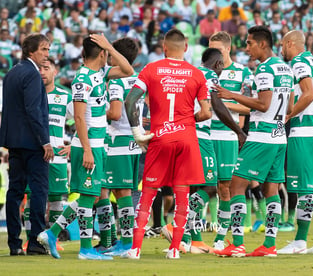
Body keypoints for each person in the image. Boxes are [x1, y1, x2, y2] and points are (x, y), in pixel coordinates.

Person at [38, 34, 134, 260]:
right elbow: (79, 119)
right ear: (101, 54)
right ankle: (84, 249)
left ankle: (51, 234)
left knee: (88, 197)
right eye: (106, 53)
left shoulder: (99, 74)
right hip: (88, 146)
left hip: (98, 146)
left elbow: (128, 70)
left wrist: (109, 45)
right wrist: (87, 149)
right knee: (88, 198)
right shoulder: (82, 79)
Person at [122, 29, 211, 260]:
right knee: (182, 195)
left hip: (159, 137)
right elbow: (207, 112)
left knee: (148, 193)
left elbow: (130, 100)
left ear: (164, 47)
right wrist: (188, 121)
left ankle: (136, 249)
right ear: (186, 48)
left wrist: (137, 132)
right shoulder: (196, 74)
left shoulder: (151, 69)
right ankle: (174, 250)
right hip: (187, 140)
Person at [214, 25, 294, 257]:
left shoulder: (264, 69)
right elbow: (287, 107)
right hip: (279, 137)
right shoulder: (285, 68)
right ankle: (269, 244)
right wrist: (235, 104)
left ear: (262, 44)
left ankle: (237, 242)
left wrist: (232, 95)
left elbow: (263, 104)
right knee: (271, 189)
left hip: (261, 137)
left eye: (249, 43)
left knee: (236, 185)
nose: (246, 47)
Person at [162, 47, 246, 253]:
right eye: (221, 67)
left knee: (193, 187)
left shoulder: (190, 73)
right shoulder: (208, 76)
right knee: (210, 187)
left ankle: (186, 237)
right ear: (217, 65)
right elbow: (217, 106)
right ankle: (176, 227)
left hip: (183, 136)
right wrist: (239, 131)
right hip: (200, 137)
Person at [278, 30, 313, 254]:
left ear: (291, 43)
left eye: (283, 44)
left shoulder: (299, 62)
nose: (282, 49)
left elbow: (309, 94)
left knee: (304, 188)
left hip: (304, 131)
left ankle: (300, 241)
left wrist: (288, 116)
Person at [0, 33, 54, 256]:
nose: (47, 54)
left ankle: (14, 243)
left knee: (15, 191)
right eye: (43, 49)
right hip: (32, 143)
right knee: (39, 190)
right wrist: (45, 141)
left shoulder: (11, 73)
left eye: (48, 50)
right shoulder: (32, 74)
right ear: (31, 51)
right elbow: (33, 110)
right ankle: (35, 240)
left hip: (14, 141)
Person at [93, 37, 141, 255]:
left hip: (118, 141)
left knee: (112, 192)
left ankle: (120, 241)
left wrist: (90, 111)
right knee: (120, 192)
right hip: (134, 141)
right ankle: (115, 239)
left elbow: (114, 113)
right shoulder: (138, 79)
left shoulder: (117, 81)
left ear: (114, 56)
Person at [21, 57, 73, 251]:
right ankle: (30, 239)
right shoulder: (29, 93)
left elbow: (81, 117)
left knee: (56, 199)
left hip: (58, 156)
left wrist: (73, 144)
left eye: (46, 68)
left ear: (55, 72)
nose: (42, 72)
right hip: (34, 154)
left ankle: (53, 238)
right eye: (39, 68)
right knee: (32, 197)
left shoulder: (65, 96)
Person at [208, 31, 252, 250]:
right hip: (205, 134)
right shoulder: (204, 72)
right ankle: (189, 236)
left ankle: (220, 236)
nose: (214, 54)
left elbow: (251, 106)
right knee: (203, 185)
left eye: (218, 49)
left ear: (228, 49)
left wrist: (225, 101)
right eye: (211, 49)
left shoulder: (243, 73)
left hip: (227, 136)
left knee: (225, 187)